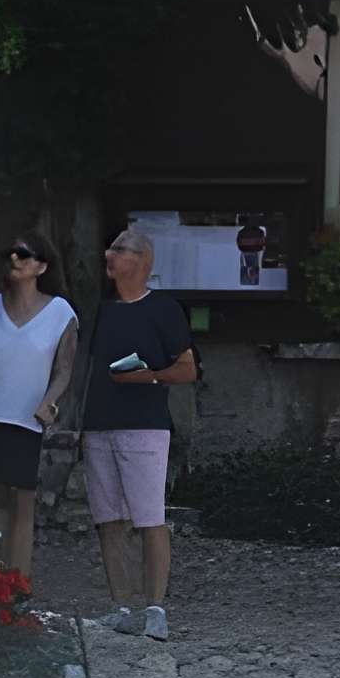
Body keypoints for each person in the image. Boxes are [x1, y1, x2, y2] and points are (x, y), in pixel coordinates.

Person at [81, 226, 197, 641]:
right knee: (107, 520)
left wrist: (150, 376)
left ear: (144, 261)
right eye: (108, 247)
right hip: (98, 425)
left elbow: (187, 369)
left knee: (150, 519)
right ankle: (121, 607)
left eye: (120, 249)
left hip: (145, 426)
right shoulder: (104, 311)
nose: (109, 255)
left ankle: (155, 609)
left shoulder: (163, 309)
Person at [0, 228, 77, 584]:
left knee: (22, 502)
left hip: (25, 419)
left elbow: (64, 369)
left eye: (23, 254)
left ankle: (17, 590)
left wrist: (48, 402)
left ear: (41, 266)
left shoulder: (60, 312)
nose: (14, 259)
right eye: (10, 253)